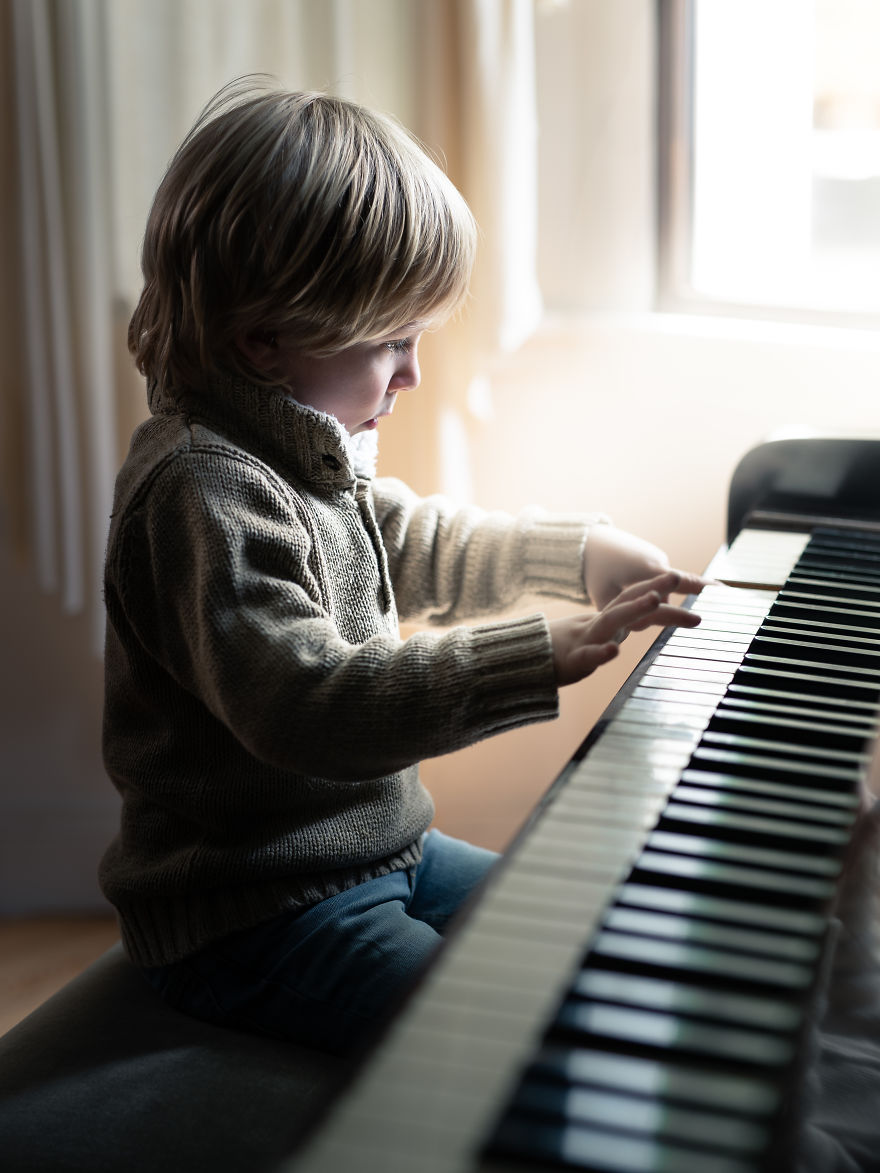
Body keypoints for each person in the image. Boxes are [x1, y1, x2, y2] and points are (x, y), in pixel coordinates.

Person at [99, 77, 707, 1056]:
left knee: (579, 948)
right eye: (390, 341)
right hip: (251, 910)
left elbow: (410, 542)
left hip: (385, 854)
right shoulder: (199, 492)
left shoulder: (292, 451)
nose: (413, 374)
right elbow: (309, 706)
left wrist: (575, 554)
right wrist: (533, 655)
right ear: (266, 339)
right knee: (496, 1035)